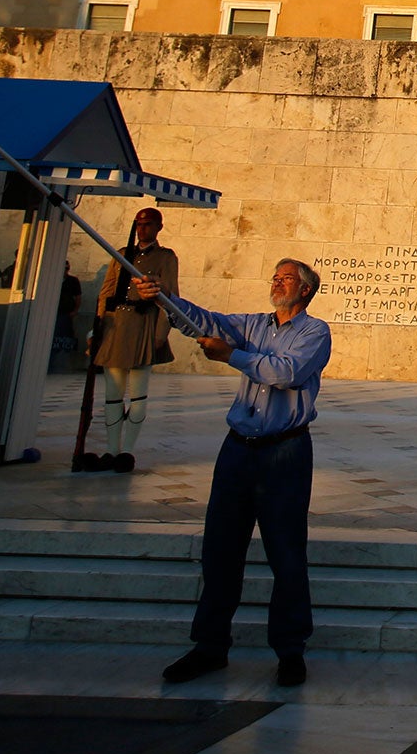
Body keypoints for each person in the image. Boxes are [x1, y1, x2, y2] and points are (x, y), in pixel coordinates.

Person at [135, 257, 331, 688]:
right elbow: (202, 322)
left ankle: (290, 649)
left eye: (285, 277)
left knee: (286, 553)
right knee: (220, 551)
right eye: (274, 274)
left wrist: (232, 356)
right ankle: (209, 645)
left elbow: (287, 373)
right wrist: (164, 298)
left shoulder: (315, 332)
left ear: (304, 290)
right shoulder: (252, 324)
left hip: (285, 451)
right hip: (238, 450)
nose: (276, 280)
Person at [85, 207, 179, 473]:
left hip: (142, 325)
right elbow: (106, 293)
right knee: (113, 395)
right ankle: (111, 449)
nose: (142, 230)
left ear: (158, 227)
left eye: (148, 225)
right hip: (116, 326)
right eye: (139, 225)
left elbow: (170, 296)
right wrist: (97, 330)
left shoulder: (165, 257)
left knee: (138, 395)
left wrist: (161, 333)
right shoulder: (123, 254)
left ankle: (127, 450)